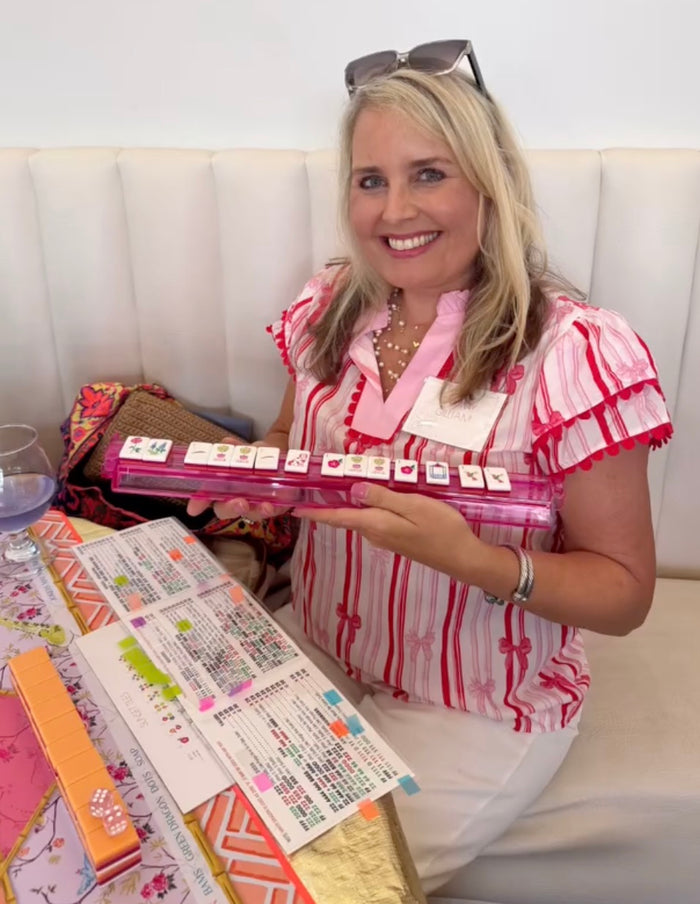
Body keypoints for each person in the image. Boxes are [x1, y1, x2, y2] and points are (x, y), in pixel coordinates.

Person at [188, 40, 673, 895]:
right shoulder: (331, 306)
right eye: (370, 180)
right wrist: (259, 475)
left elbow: (625, 594)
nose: (394, 209)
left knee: (312, 883)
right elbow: (291, 442)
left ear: (490, 184)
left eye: (429, 174)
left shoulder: (576, 353)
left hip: (478, 702)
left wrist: (472, 560)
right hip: (321, 642)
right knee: (182, 816)